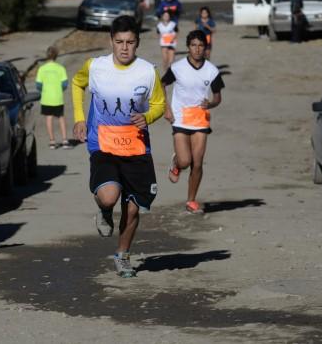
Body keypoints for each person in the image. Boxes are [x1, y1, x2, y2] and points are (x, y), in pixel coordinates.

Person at [72, 15, 166, 278]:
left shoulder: (148, 71)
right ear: (111, 42)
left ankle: (123, 256)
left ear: (137, 44)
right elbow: (77, 85)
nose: (124, 48)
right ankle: (104, 209)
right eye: (119, 42)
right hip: (103, 142)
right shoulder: (95, 67)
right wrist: (79, 118)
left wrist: (147, 117)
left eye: (130, 42)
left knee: (133, 207)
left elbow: (159, 104)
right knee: (110, 196)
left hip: (135, 146)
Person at [163, 30, 223, 214]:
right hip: (180, 118)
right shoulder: (177, 68)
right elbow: (161, 84)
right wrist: (166, 108)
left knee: (197, 163)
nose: (197, 49)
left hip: (200, 120)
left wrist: (210, 103)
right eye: (193, 45)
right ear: (188, 47)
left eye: (200, 46)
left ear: (205, 48)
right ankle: (176, 164)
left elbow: (218, 97)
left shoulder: (212, 71)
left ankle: (191, 200)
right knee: (185, 160)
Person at [36, 46, 70, 149]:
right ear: (56, 56)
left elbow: (38, 85)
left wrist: (44, 90)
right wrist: (59, 90)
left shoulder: (42, 69)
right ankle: (64, 140)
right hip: (57, 97)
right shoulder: (60, 68)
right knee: (61, 117)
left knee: (49, 118)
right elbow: (64, 84)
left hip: (46, 98)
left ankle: (52, 141)